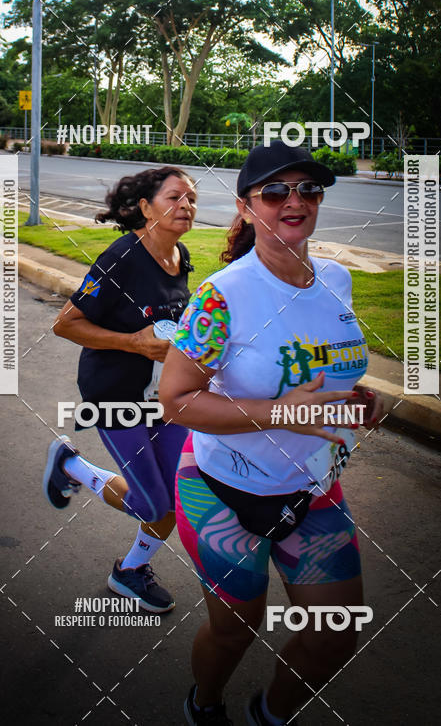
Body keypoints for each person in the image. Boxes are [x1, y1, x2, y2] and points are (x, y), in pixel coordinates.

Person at [160, 140, 383, 726]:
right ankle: (204, 704)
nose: (295, 200)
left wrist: (362, 403)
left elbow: (331, 377)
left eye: (309, 189)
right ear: (245, 205)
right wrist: (281, 411)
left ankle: (270, 715)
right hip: (221, 491)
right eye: (276, 191)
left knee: (334, 634)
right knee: (236, 630)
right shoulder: (222, 296)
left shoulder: (335, 278)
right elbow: (176, 401)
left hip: (311, 489)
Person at [42, 166, 198, 613]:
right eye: (174, 197)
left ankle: (129, 571)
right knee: (151, 502)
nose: (185, 205)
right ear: (145, 208)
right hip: (113, 395)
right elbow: (65, 323)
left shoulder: (181, 255)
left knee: (175, 499)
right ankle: (72, 467)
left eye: (190, 198)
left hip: (160, 397)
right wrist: (133, 343)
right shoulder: (122, 257)